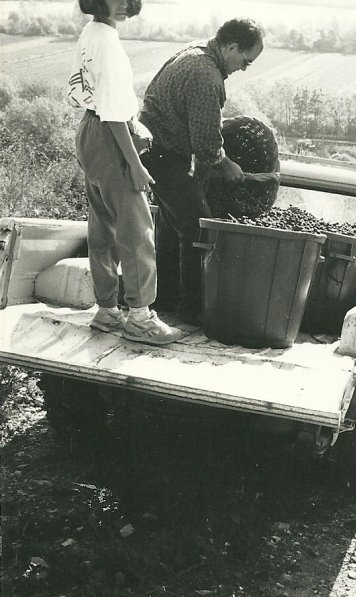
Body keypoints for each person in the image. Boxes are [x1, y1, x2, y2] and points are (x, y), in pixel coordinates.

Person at [67, 0, 183, 345]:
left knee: (102, 225)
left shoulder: (91, 32)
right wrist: (135, 164)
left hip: (88, 131)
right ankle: (140, 318)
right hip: (109, 134)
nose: (120, 4)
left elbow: (86, 93)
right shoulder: (108, 42)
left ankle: (107, 310)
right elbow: (114, 112)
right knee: (136, 230)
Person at [139, 18, 265, 323]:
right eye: (246, 61)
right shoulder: (204, 75)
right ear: (232, 46)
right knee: (199, 227)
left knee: (174, 227)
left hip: (156, 151)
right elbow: (207, 146)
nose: (244, 68)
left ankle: (164, 299)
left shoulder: (196, 51)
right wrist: (226, 165)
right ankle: (191, 309)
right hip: (163, 155)